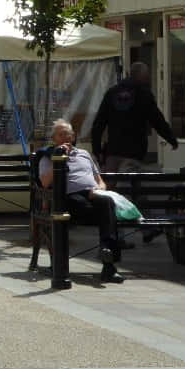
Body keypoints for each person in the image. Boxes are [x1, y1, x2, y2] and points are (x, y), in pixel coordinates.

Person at [40, 119, 124, 283]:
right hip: (68, 198)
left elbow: (100, 180)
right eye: (61, 134)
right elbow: (44, 183)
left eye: (68, 134)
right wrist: (59, 157)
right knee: (105, 215)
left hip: (92, 195)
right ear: (54, 138)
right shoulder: (47, 156)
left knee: (107, 203)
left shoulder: (85, 154)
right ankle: (108, 256)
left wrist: (99, 189)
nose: (66, 137)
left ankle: (108, 260)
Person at [91, 62, 178, 172]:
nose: (148, 80)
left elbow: (99, 123)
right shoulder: (143, 94)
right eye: (147, 77)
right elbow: (157, 120)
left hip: (113, 150)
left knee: (109, 183)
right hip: (134, 151)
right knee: (130, 183)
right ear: (143, 77)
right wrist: (171, 139)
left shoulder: (111, 93)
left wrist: (97, 150)